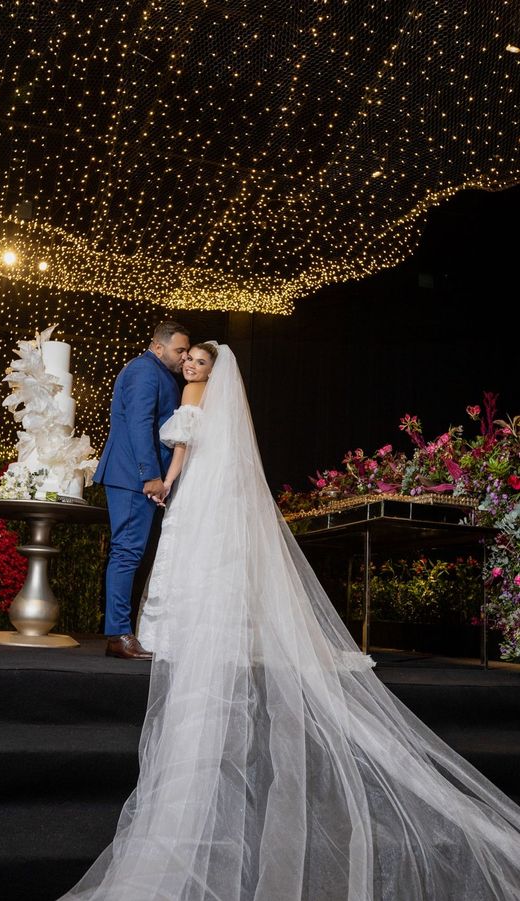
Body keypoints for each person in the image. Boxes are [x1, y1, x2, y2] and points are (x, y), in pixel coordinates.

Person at [60, 343, 520, 900]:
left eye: (197, 360)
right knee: (210, 559)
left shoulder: (190, 393)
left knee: (178, 556)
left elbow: (180, 445)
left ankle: (166, 629)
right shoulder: (222, 401)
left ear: (209, 369)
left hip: (192, 487)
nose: (189, 366)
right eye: (187, 359)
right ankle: (203, 626)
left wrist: (168, 481)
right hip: (218, 489)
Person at [93, 320, 190, 660]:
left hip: (133, 475)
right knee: (127, 553)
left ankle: (120, 633)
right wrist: (149, 475)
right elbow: (138, 422)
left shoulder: (158, 373)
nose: (184, 357)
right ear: (158, 346)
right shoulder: (144, 371)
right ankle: (118, 635)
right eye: (179, 350)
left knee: (130, 553)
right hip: (132, 476)